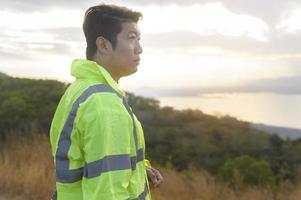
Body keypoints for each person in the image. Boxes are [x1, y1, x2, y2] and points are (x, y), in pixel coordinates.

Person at [49, 3, 163, 200]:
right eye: (132, 38)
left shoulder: (80, 89)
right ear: (103, 45)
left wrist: (138, 170)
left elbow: (91, 162)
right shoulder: (104, 105)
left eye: (139, 39)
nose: (139, 49)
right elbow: (107, 194)